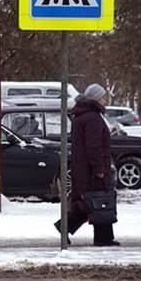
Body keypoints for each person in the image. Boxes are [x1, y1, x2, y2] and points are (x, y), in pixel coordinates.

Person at [55, 83, 120, 246]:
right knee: (99, 200)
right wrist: (99, 168)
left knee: (92, 201)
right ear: (96, 98)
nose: (105, 100)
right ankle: (101, 237)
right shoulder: (92, 118)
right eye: (103, 97)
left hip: (82, 167)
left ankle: (101, 236)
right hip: (92, 169)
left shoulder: (82, 116)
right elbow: (94, 146)